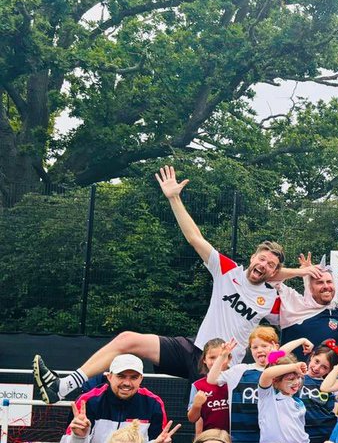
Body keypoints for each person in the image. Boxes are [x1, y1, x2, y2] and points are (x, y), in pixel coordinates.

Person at [33, 166, 294, 402]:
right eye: (262, 259)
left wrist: (307, 273)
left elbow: (296, 315)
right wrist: (174, 197)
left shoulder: (273, 299)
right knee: (127, 339)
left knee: (209, 432)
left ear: (275, 272)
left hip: (222, 367)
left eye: (272, 265)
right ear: (252, 257)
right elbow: (195, 237)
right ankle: (65, 385)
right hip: (195, 350)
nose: (264, 265)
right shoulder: (228, 271)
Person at [60, 354, 177, 443]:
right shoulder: (89, 401)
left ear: (141, 379)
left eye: (134, 377)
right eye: (121, 376)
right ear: (109, 376)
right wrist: (79, 437)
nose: (127, 383)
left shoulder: (153, 403)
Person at [257, 352, 321, 443]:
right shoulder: (268, 397)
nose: (296, 382)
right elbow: (266, 374)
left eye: (298, 377)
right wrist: (294, 366)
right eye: (290, 379)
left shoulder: (298, 403)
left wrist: (293, 368)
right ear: (276, 380)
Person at [277, 254, 338, 359]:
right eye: (320, 282)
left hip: (330, 375)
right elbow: (269, 276)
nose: (326, 286)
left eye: (329, 282)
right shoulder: (292, 304)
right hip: (292, 373)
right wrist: (301, 272)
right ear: (310, 288)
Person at [188, 339, 231, 435]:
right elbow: (192, 418)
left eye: (221, 357)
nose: (216, 362)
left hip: (236, 442)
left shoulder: (236, 380)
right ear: (204, 360)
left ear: (229, 359)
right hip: (210, 440)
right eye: (212, 357)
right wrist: (197, 405)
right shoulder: (198, 386)